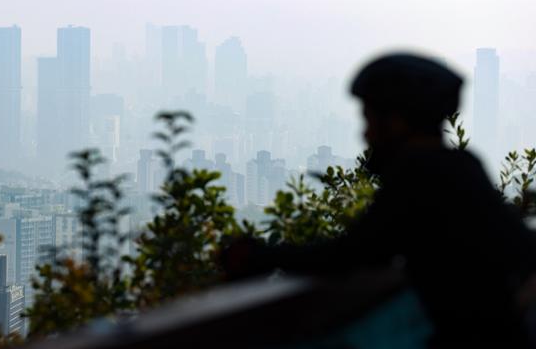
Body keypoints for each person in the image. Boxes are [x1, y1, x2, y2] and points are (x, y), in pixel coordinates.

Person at [226, 54, 536, 347]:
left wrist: (259, 256)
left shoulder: (417, 173)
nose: (366, 135)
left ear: (396, 122)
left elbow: (353, 253)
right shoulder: (461, 165)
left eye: (369, 120)